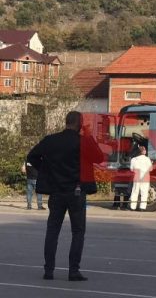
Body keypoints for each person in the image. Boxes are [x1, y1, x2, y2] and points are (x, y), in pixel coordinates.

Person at [27, 111, 103, 281]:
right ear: (80, 123)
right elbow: (99, 157)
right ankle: (73, 271)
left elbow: (31, 156)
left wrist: (46, 170)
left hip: (56, 191)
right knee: (77, 231)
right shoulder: (82, 141)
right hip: (76, 191)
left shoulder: (50, 140)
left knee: (53, 230)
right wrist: (89, 136)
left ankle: (49, 271)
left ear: (66, 122)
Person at [129, 145, 153, 211]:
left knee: (135, 191)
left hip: (137, 177)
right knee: (144, 192)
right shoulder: (147, 159)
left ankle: (133, 207)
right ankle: (142, 207)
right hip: (145, 177)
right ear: (143, 152)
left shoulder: (133, 159)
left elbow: (131, 169)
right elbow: (151, 169)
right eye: (144, 150)